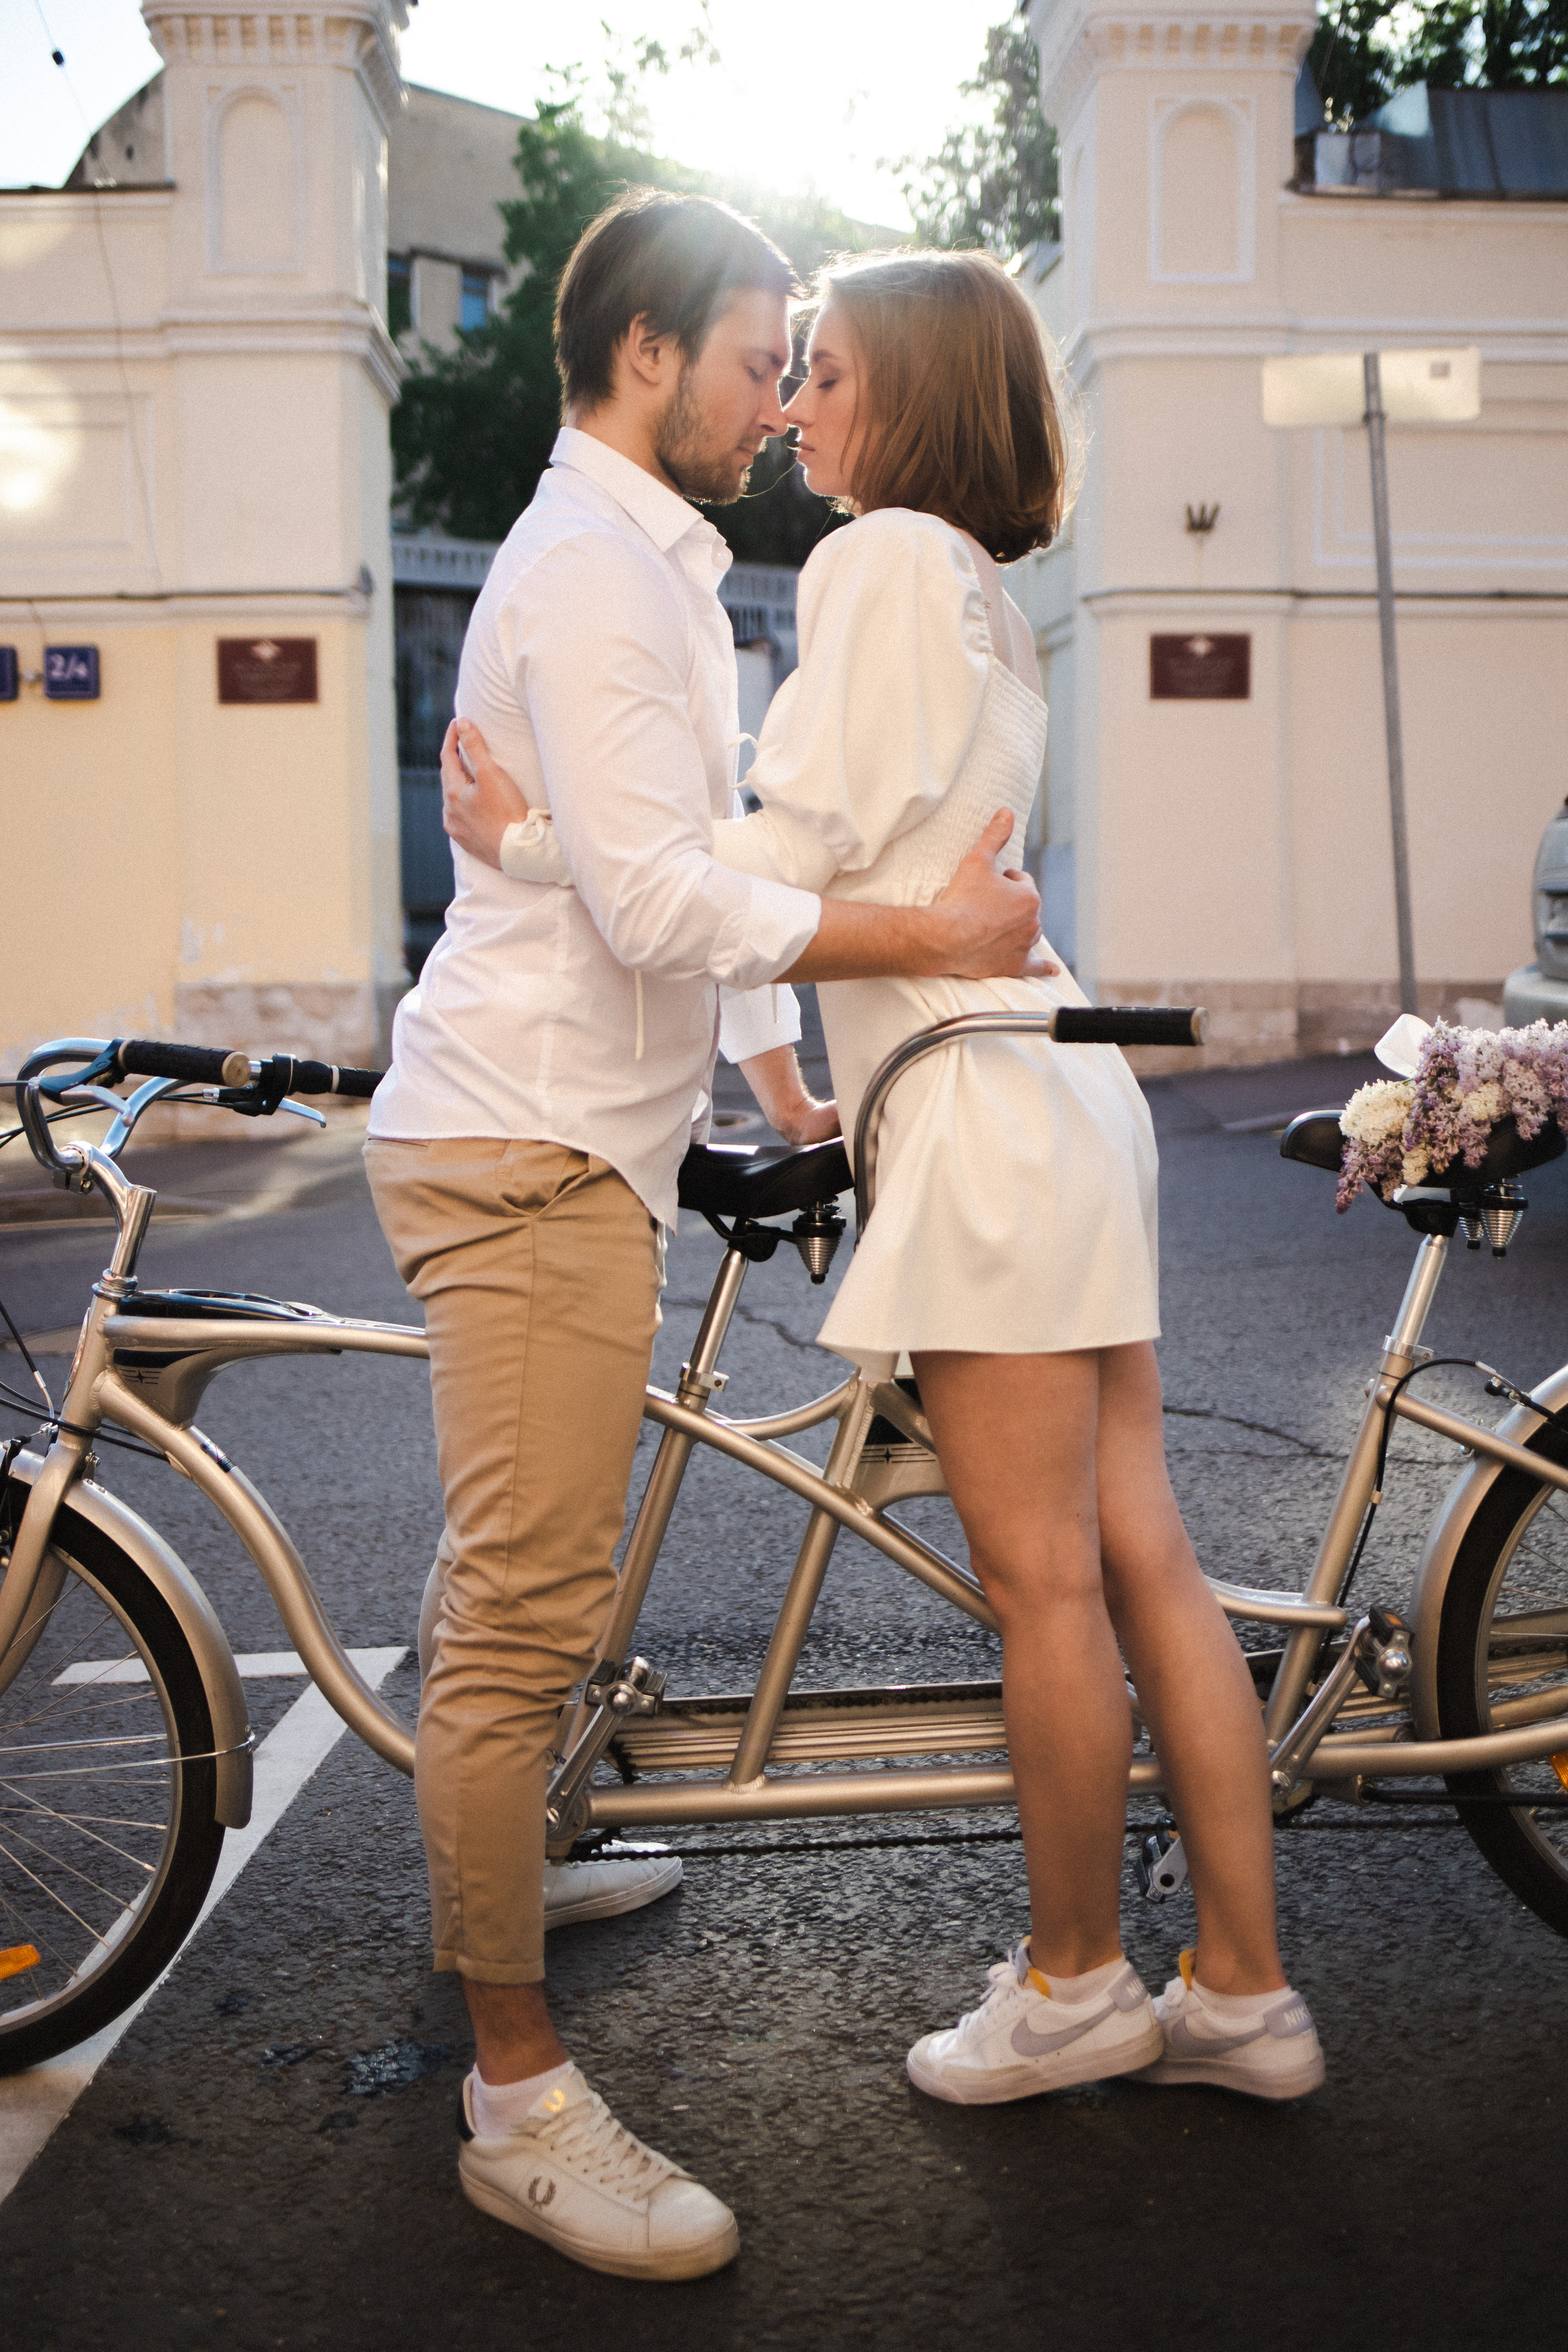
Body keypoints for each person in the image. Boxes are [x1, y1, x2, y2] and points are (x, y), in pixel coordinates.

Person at [445, 247, 1326, 2119]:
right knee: (1142, 1555)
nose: (792, 406)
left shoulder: (875, 562)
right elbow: (884, 859)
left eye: (826, 371)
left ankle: (1079, 1985)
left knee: (1043, 1585)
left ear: (909, 396)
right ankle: (1243, 1991)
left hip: (980, 1112)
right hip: (1056, 1092)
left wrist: (530, 841)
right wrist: (785, 1063)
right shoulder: (987, 592)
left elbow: (785, 849)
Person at [363, 194, 1050, 2285]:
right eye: (762, 359)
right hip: (532, 1142)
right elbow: (663, 900)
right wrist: (926, 935)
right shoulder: (593, 571)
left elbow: (665, 866)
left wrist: (776, 1087)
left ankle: (500, 1865)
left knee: (518, 1577)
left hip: (574, 1129)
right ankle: (517, 2104)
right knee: (525, 1611)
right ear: (650, 354)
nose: (779, 401)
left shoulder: (644, 561)